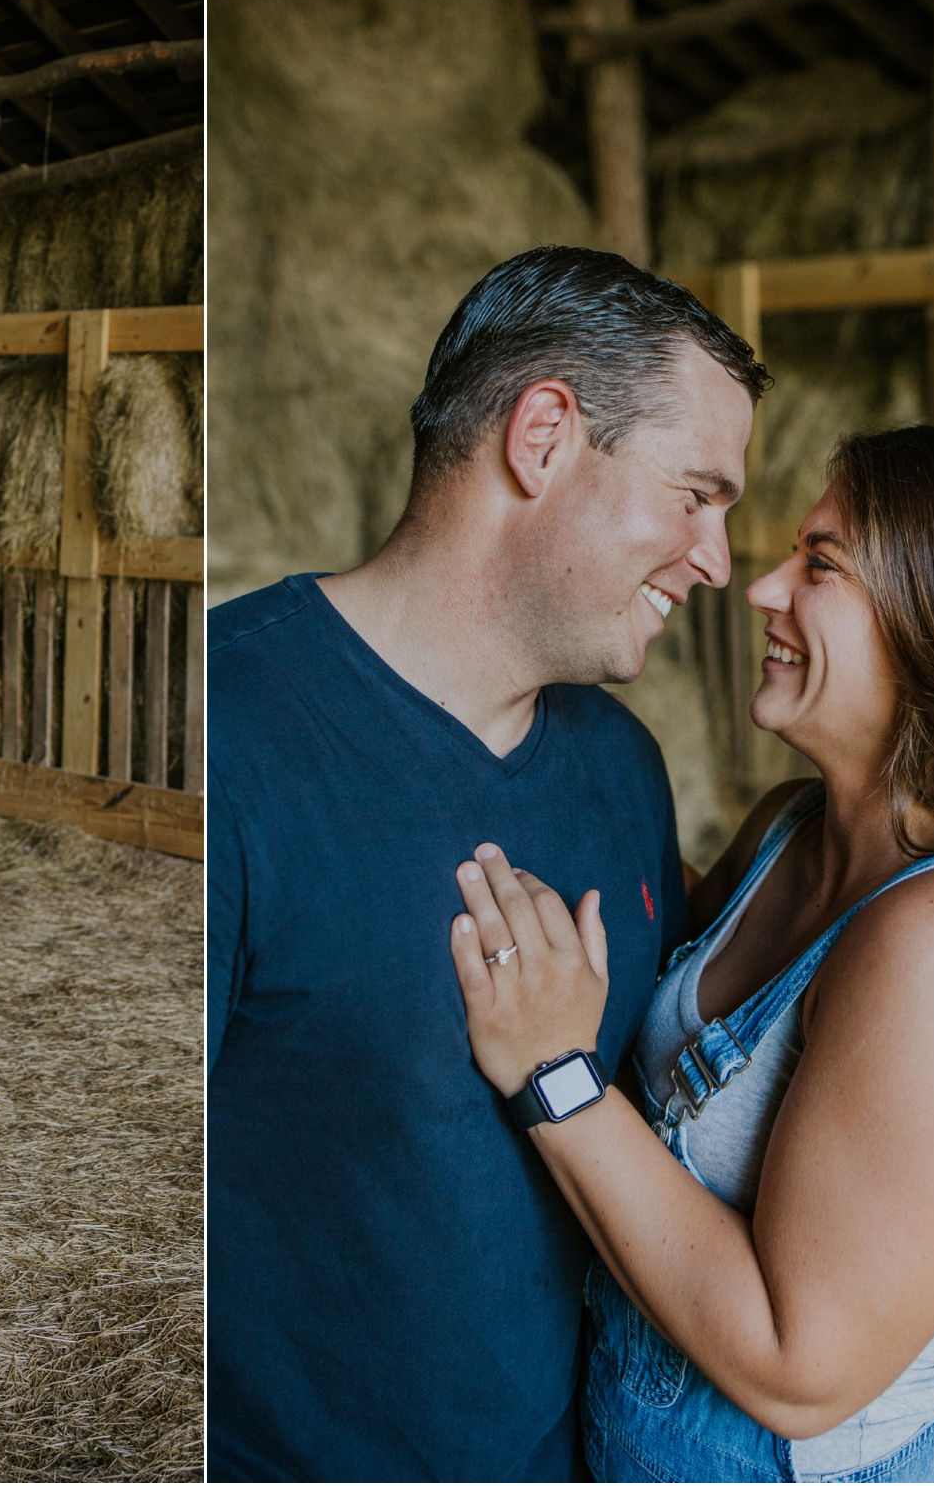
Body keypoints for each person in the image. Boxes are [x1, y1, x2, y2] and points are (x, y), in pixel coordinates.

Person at [449, 427, 934, 1483]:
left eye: (819, 565)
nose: (760, 587)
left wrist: (554, 1078)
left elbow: (798, 1365)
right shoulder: (793, 826)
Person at [207, 246, 771, 1480]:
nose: (718, 561)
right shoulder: (229, 734)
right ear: (543, 436)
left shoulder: (624, 764)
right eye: (695, 493)